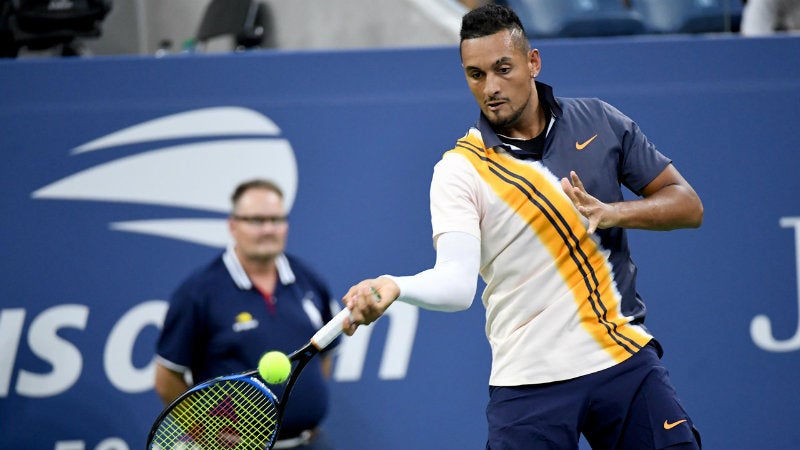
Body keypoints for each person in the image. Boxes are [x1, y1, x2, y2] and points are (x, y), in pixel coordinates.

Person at [342, 4, 704, 450]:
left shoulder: (599, 121)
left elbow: (688, 205)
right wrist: (396, 286)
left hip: (621, 357)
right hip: (529, 381)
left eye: (502, 68)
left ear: (533, 62)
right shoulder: (460, 170)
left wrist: (614, 213)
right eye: (475, 75)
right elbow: (456, 287)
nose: (491, 88)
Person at [154, 178, 338, 450]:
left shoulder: (310, 280)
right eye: (256, 220)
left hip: (311, 443)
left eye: (276, 220)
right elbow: (167, 379)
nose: (268, 229)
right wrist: (205, 434)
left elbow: (323, 356)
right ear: (233, 225)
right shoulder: (198, 292)